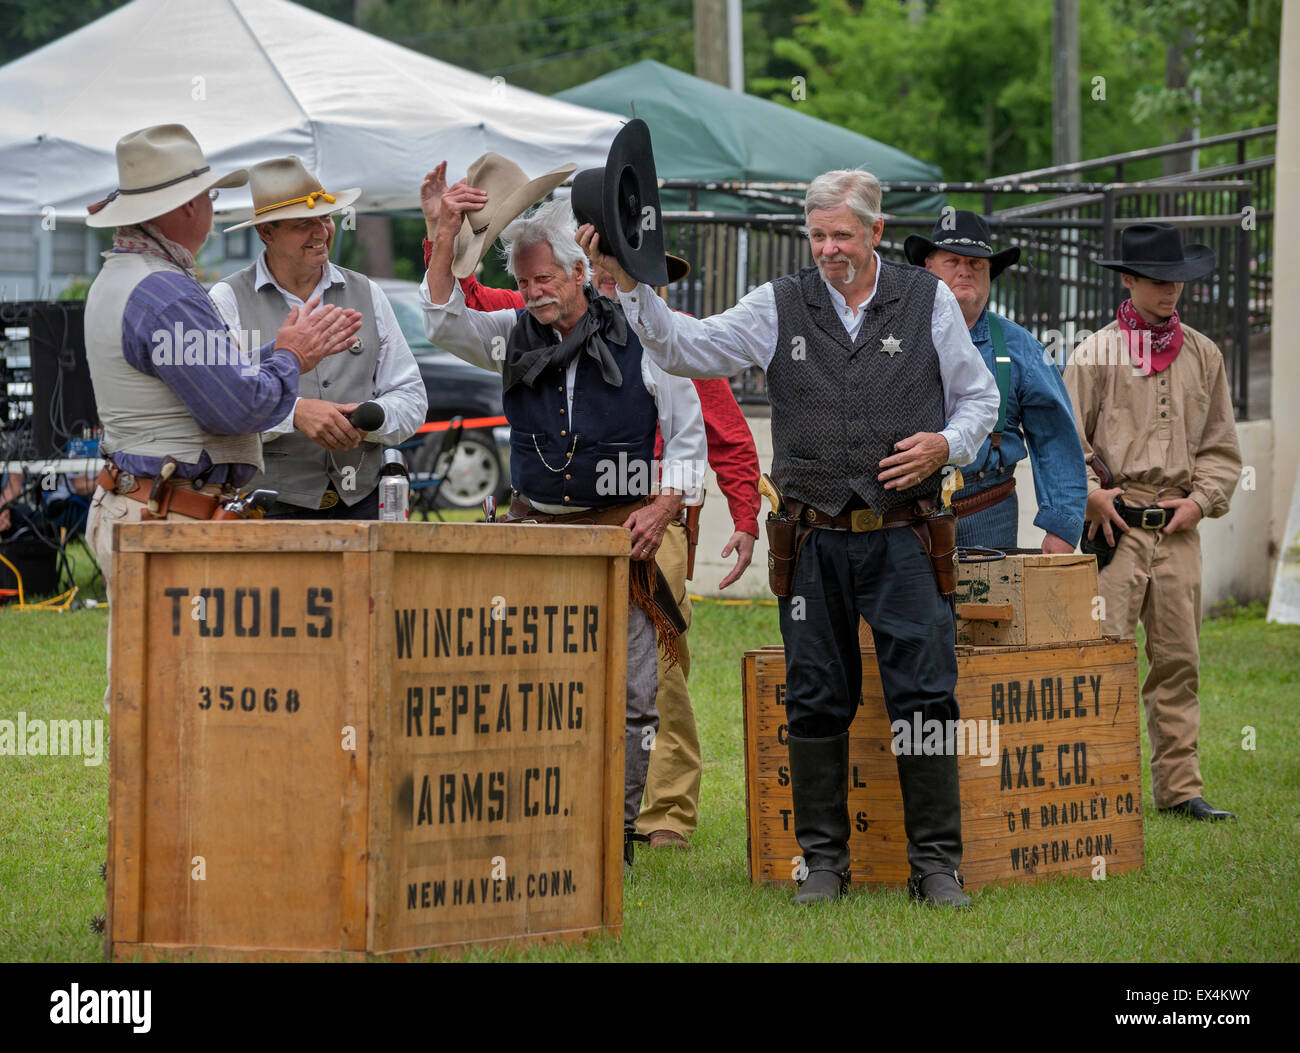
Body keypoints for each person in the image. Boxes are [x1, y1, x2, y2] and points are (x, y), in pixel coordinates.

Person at [586, 169, 999, 906]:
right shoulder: (778, 303)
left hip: (905, 532)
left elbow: (980, 397)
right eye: (817, 235)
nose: (829, 249)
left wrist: (946, 443)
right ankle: (824, 863)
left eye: (842, 234)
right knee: (813, 697)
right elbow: (688, 347)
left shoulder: (928, 298)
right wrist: (630, 285)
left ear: (875, 231)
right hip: (812, 538)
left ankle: (936, 865)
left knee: (927, 696)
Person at [417, 162, 761, 850]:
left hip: (624, 535)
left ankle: (627, 826)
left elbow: (692, 436)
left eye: (546, 279)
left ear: (578, 272)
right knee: (533, 682)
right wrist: (440, 236)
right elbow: (444, 321)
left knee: (642, 690)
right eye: (524, 282)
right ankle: (548, 814)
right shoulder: (513, 329)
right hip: (537, 533)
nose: (535, 292)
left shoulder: (654, 342)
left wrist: (667, 507)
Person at [81, 124, 361, 707]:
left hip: (146, 506)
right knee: (182, 703)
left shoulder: (125, 280)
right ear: (185, 207)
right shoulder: (167, 293)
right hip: (166, 517)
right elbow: (236, 407)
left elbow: (206, 381)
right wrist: (292, 354)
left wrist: (274, 356)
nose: (212, 206)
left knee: (151, 697)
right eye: (207, 196)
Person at [1064, 223, 1242, 821]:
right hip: (1115, 529)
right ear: (1129, 280)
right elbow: (1065, 446)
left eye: (1179, 282)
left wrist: (1200, 501)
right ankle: (1100, 782)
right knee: (1103, 657)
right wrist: (1091, 497)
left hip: (1178, 528)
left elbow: (1220, 449)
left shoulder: (1204, 354)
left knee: (1178, 660)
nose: (1172, 292)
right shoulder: (1093, 354)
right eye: (1160, 281)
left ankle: (1180, 788)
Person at [211, 157, 427, 518]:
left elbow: (411, 396)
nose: (322, 232)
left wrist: (369, 419)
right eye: (302, 225)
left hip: (364, 503)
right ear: (266, 232)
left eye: (325, 218)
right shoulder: (227, 299)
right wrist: (293, 413)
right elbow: (218, 404)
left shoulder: (367, 291)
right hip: (267, 509)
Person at [905, 211, 1086, 551]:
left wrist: (1061, 526)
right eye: (953, 260)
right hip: (901, 516)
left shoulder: (1021, 349)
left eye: (976, 263)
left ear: (990, 274)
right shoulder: (893, 337)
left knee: (987, 607)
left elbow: (1056, 438)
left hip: (987, 511)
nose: (965, 270)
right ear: (928, 268)